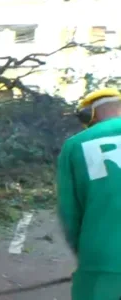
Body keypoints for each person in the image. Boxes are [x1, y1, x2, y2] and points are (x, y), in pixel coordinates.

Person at [58, 88, 121, 300]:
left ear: (89, 115)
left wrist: (86, 257)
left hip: (103, 262)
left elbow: (70, 213)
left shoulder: (75, 145)